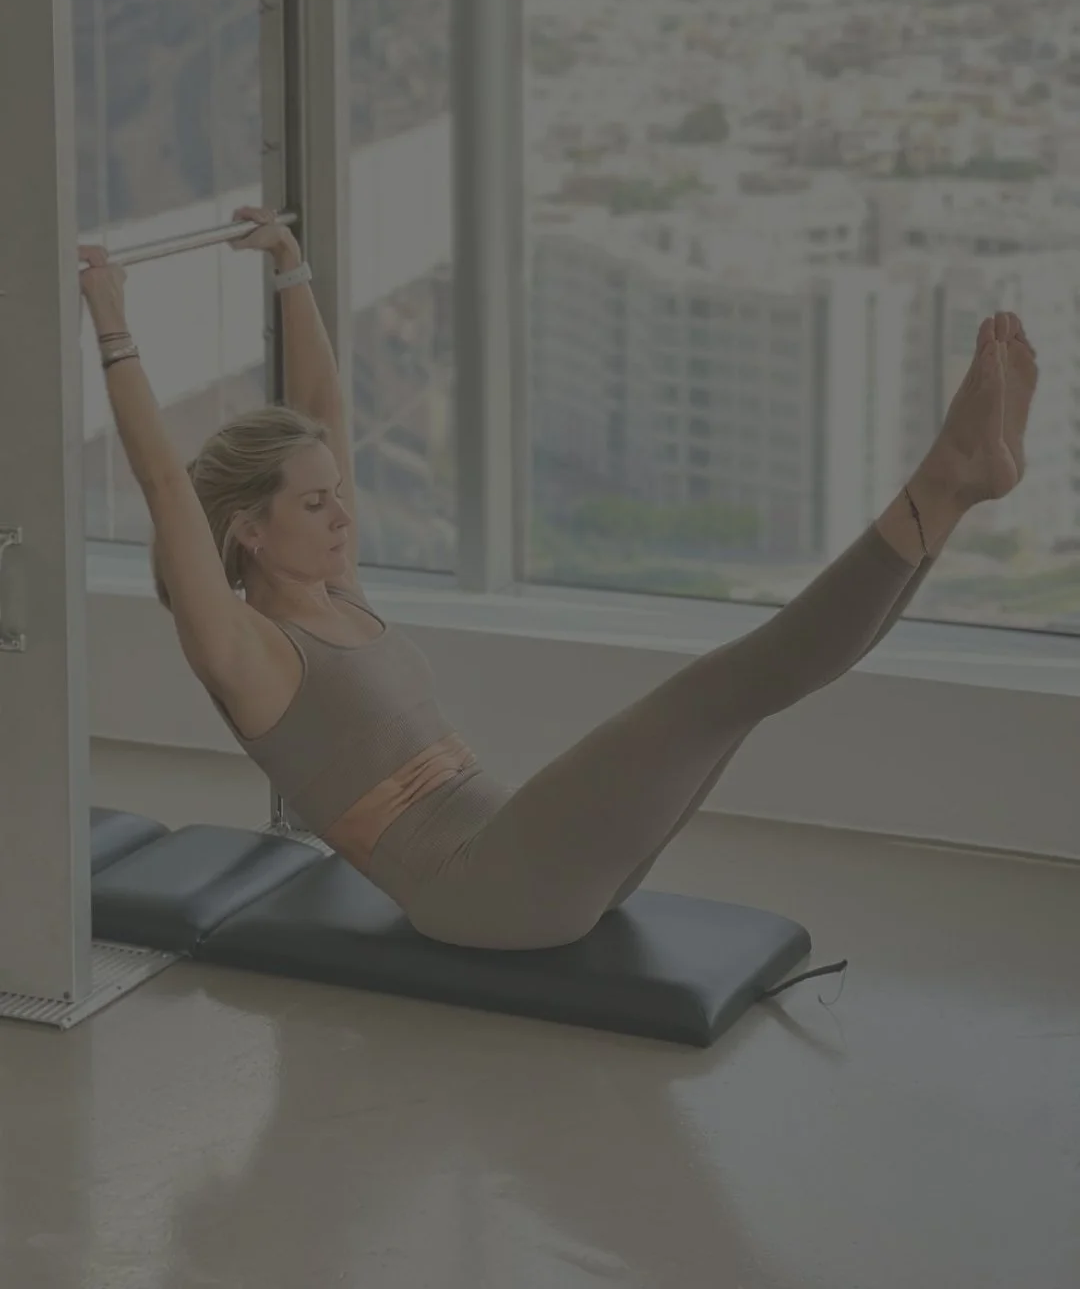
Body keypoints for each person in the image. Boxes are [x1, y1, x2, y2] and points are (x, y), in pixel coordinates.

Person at [78, 206, 1039, 951]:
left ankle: (950, 503)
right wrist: (113, 322)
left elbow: (326, 405)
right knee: (728, 682)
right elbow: (165, 480)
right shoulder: (243, 647)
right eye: (315, 504)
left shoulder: (338, 588)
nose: (343, 514)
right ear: (245, 533)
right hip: (485, 894)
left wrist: (291, 265)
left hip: (535, 857)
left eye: (340, 494)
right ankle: (940, 481)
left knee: (745, 701)